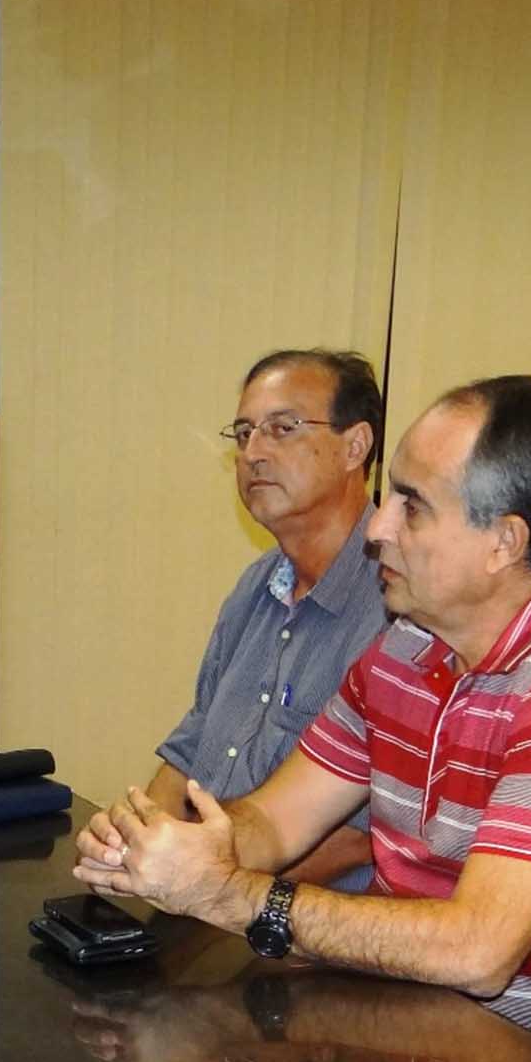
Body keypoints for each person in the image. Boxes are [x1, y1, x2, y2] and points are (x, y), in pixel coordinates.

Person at [75, 376, 531, 1029]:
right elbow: (276, 821)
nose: (378, 527)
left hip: (526, 1052)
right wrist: (172, 850)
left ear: (504, 542)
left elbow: (478, 952)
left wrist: (229, 895)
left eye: (411, 506)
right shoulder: (406, 645)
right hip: (399, 1017)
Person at [149, 349, 390, 887]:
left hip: (304, 918)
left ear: (355, 446)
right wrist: (137, 847)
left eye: (282, 428)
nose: (253, 453)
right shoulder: (254, 588)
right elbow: (189, 753)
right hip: (206, 892)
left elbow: (365, 837)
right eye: (243, 434)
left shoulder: (399, 606)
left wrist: (208, 890)